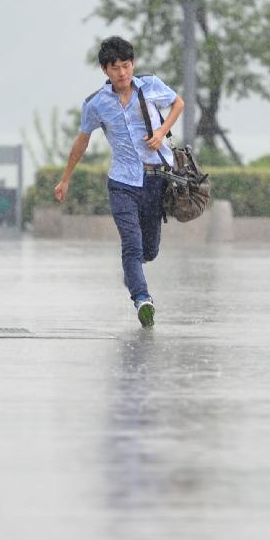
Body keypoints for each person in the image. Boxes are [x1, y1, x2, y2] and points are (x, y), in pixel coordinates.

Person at [54, 36, 185, 327]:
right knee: (132, 246)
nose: (123, 73)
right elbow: (81, 142)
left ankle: (132, 272)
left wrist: (162, 131)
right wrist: (65, 180)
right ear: (105, 70)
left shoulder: (149, 85)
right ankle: (142, 300)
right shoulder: (96, 104)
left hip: (154, 181)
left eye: (127, 66)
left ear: (133, 64)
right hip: (122, 183)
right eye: (116, 68)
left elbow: (178, 103)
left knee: (149, 250)